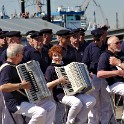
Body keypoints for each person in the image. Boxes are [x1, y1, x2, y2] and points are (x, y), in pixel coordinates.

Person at [0, 43, 56, 124]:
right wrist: (21, 85)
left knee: (51, 106)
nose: (23, 56)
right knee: (40, 113)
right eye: (22, 54)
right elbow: (3, 87)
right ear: (17, 55)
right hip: (15, 103)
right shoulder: (7, 68)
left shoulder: (15, 66)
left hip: (25, 99)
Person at [45, 45, 96, 124]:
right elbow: (47, 86)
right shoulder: (50, 69)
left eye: (59, 55)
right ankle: (69, 122)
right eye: (55, 56)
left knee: (91, 100)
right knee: (77, 103)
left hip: (74, 92)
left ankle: (79, 121)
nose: (57, 58)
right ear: (51, 56)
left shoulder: (67, 66)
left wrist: (87, 75)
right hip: (60, 94)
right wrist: (58, 81)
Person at [82, 28, 111, 124]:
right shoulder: (89, 47)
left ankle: (105, 122)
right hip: (94, 76)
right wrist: (88, 73)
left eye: (98, 39)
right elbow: (84, 63)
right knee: (94, 103)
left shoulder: (106, 47)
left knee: (105, 102)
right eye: (95, 39)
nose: (96, 41)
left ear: (102, 37)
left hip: (105, 76)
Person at [97, 36, 124, 121]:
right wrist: (116, 72)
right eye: (116, 43)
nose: (119, 44)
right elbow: (99, 74)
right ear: (109, 45)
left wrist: (118, 63)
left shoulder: (120, 55)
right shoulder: (105, 55)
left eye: (120, 42)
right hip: (114, 84)